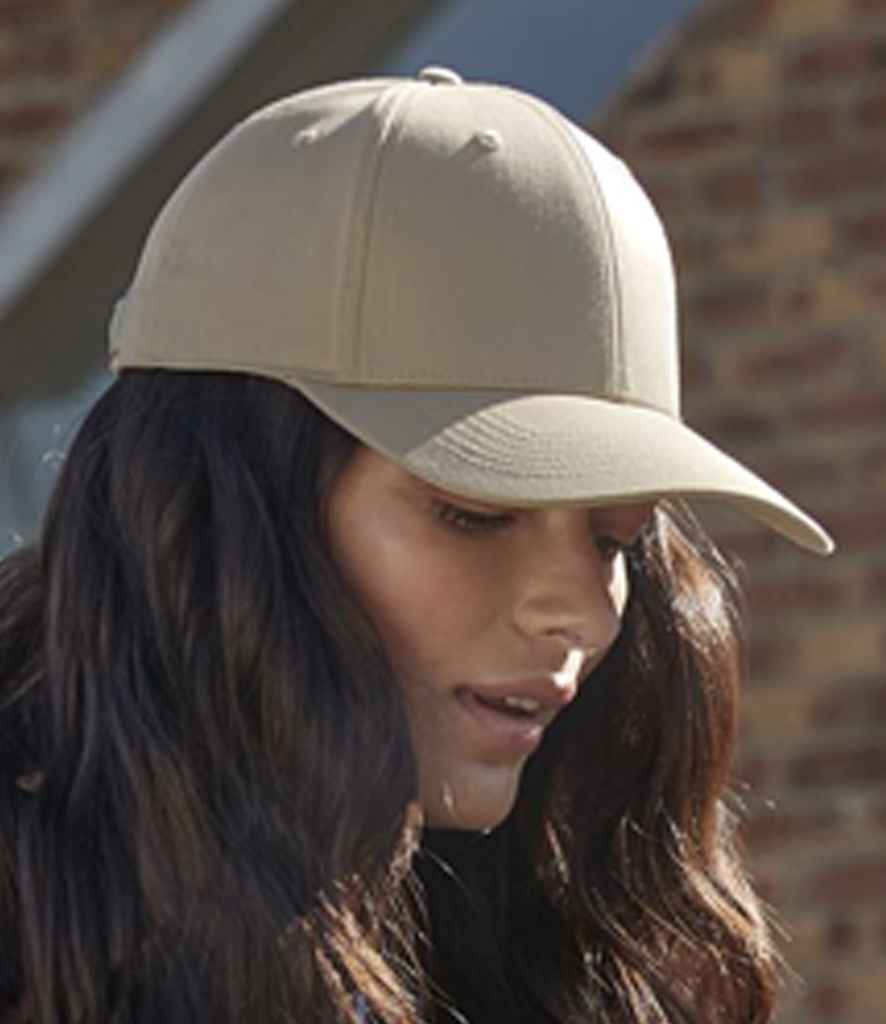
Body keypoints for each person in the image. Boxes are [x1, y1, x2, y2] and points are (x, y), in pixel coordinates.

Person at [0, 66, 832, 1024]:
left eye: (613, 542)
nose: (584, 613)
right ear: (207, 508)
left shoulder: (531, 951)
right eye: (474, 514)